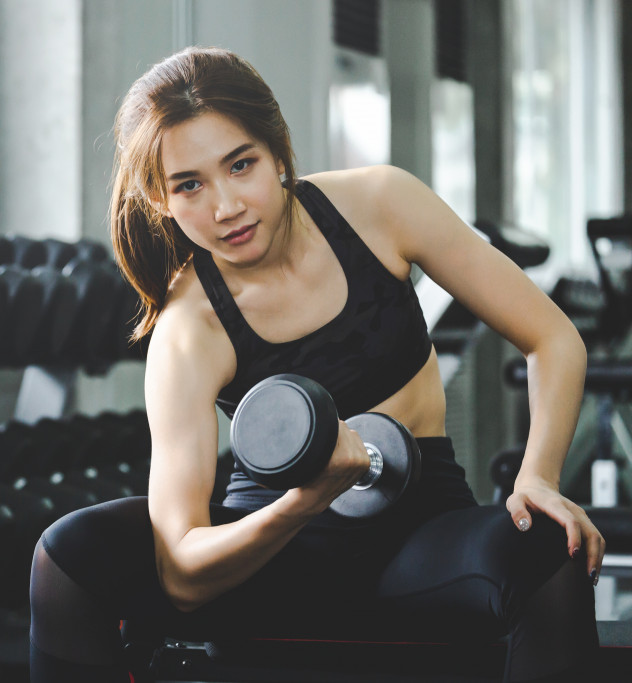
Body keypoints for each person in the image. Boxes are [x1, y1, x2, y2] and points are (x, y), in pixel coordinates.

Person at [29, 46, 603, 683]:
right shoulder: (189, 330)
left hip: (421, 532)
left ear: (278, 153)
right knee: (68, 555)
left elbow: (553, 338)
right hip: (270, 552)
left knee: (555, 546)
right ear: (161, 200)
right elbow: (184, 574)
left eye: (240, 164)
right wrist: (306, 500)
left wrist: (540, 477)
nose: (225, 207)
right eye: (189, 185)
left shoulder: (381, 205)